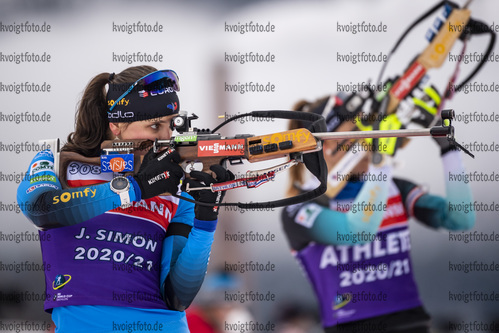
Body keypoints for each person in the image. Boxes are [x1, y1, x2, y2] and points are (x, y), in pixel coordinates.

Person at [16, 65, 233, 332]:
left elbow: (178, 295)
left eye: (171, 124)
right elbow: (41, 208)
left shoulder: (175, 190)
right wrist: (136, 187)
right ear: (116, 125)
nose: (166, 137)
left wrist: (206, 218)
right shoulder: (57, 162)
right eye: (154, 125)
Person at [280, 92, 475, 333]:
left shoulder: (392, 187)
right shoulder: (301, 206)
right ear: (327, 145)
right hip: (352, 326)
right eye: (355, 134)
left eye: (367, 130)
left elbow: (461, 218)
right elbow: (358, 230)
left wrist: (448, 150)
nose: (366, 141)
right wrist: (382, 163)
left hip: (411, 322)